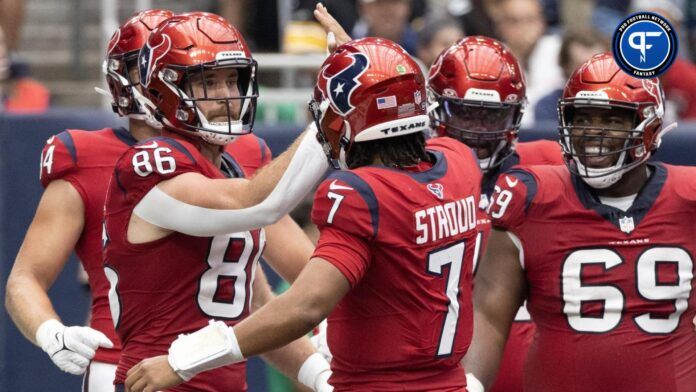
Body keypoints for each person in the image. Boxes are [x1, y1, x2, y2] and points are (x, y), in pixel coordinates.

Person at [124, 37, 484, 392]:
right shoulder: (459, 163)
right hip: (449, 381)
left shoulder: (360, 193)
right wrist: (375, 77)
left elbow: (306, 305)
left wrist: (188, 357)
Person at [102, 12, 332, 391]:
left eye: (231, 79)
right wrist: (330, 115)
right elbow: (259, 204)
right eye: (208, 81)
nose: (227, 95)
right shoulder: (148, 164)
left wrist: (322, 378)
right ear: (166, 90)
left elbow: (256, 308)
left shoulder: (231, 166)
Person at [464, 53, 696, 391]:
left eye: (612, 120)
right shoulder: (530, 196)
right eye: (582, 118)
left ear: (649, 128)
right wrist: (470, 384)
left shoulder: (688, 197)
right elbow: (488, 313)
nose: (592, 133)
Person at [4, 9, 173, 392]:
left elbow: (266, 286)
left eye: (170, 69)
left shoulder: (238, 156)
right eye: (146, 70)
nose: (158, 82)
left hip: (218, 366)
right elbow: (25, 278)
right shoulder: (86, 157)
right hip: (123, 368)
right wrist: (50, 332)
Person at [428, 35, 562, 392]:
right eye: (467, 113)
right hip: (435, 343)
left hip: (531, 344)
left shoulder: (549, 166)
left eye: (493, 117)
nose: (478, 130)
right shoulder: (407, 173)